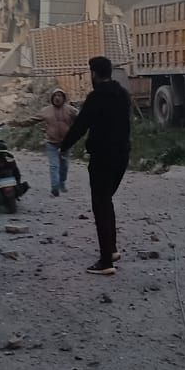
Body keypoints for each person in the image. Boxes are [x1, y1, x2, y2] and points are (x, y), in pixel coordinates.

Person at [60, 57, 131, 275]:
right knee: (106, 201)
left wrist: (64, 147)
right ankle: (112, 249)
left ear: (94, 73)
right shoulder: (123, 94)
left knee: (100, 205)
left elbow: (81, 125)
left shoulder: (96, 97)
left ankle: (105, 262)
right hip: (122, 155)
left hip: (102, 157)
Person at [41, 89, 77, 195]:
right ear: (52, 98)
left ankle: (62, 183)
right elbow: (31, 120)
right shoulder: (46, 110)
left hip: (66, 143)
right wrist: (17, 123)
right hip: (51, 142)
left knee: (64, 165)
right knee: (54, 165)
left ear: (64, 98)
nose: (57, 97)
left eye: (60, 95)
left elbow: (82, 118)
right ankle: (55, 187)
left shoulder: (70, 110)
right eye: (55, 95)